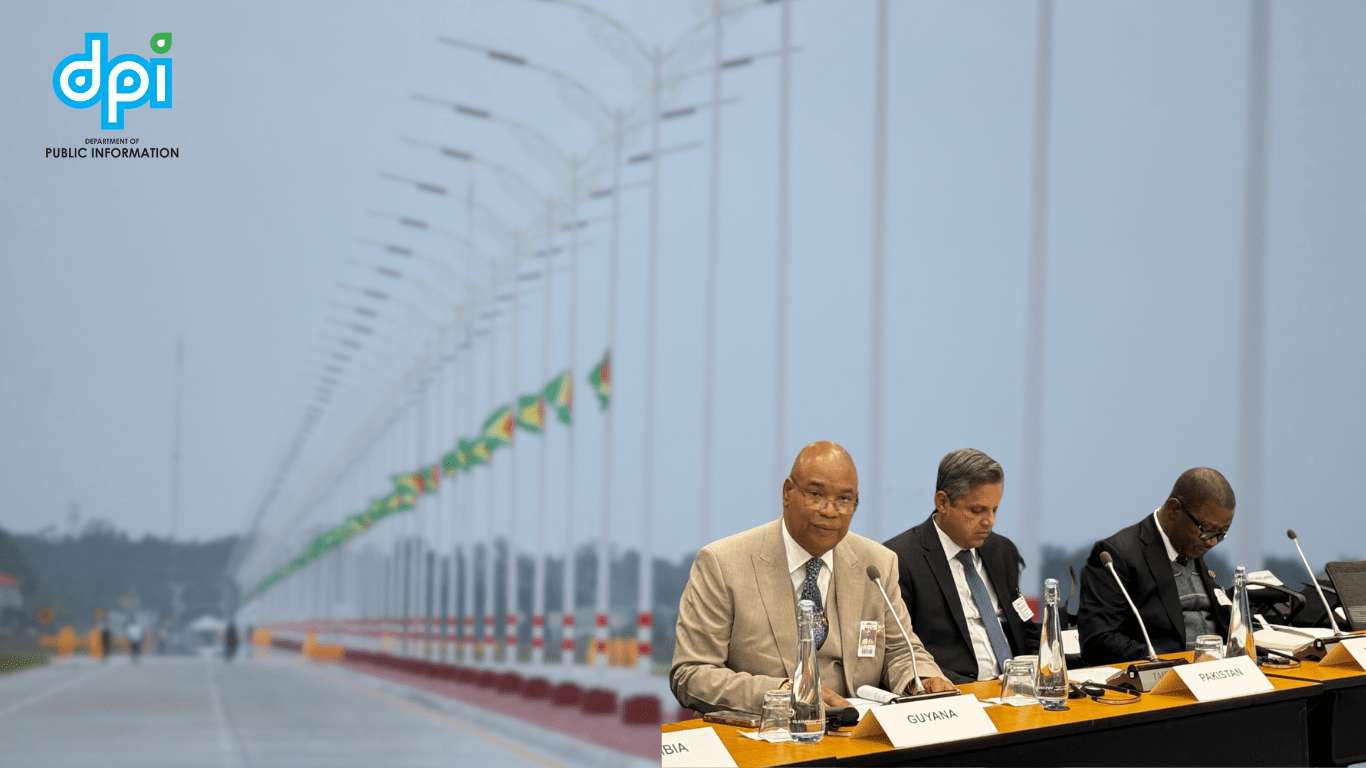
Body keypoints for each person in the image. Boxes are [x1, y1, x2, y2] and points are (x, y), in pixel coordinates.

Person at [671, 441, 955, 715]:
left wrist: (923, 680)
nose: (830, 511)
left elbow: (901, 651)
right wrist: (785, 694)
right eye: (816, 495)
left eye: (844, 499)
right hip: (765, 731)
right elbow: (691, 674)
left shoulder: (877, 564)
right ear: (787, 492)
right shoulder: (722, 563)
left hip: (855, 732)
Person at [882, 448, 1040, 684]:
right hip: (954, 691)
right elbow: (898, 653)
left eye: (994, 510)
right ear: (943, 502)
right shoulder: (899, 559)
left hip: (1017, 687)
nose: (990, 521)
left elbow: (1023, 627)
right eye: (977, 510)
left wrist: (1041, 668)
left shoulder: (1002, 550)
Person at [1077, 467, 1235, 665]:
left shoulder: (1192, 545)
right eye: (1207, 530)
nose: (1212, 542)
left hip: (1221, 669)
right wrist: (1171, 662)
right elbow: (1098, 641)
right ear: (1174, 509)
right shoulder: (1117, 554)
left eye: (1221, 534)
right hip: (1165, 674)